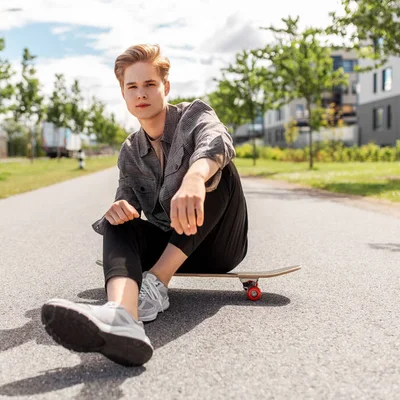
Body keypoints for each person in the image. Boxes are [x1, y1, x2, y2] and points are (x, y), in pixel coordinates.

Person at [41, 44, 249, 367]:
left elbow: (217, 140)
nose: (141, 93)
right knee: (116, 220)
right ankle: (122, 316)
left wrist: (195, 177)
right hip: (169, 245)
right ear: (123, 95)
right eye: (132, 87)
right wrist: (119, 208)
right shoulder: (129, 152)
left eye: (150, 84)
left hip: (218, 246)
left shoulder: (193, 115)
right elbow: (124, 199)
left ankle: (156, 284)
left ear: (165, 87)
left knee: (219, 171)